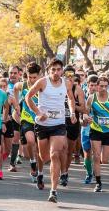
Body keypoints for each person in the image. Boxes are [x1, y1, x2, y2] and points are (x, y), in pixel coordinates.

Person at [25, 59, 80, 202]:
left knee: (55, 154)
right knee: (44, 157)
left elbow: (71, 99)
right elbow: (28, 97)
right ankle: (41, 172)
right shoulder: (42, 82)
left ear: (62, 70)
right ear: (48, 70)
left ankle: (53, 190)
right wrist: (38, 112)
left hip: (59, 124)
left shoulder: (67, 83)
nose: (56, 72)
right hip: (43, 124)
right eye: (53, 70)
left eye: (58, 69)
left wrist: (73, 113)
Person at [82, 76, 109, 192]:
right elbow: (85, 113)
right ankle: (98, 182)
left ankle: (97, 167)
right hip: (95, 130)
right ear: (97, 86)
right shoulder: (91, 98)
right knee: (96, 156)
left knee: (104, 159)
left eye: (106, 86)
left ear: (108, 86)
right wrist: (86, 118)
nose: (103, 88)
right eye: (101, 86)